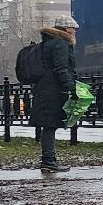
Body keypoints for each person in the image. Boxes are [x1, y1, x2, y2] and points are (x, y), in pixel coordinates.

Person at [31, 16, 79, 174]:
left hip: (44, 88)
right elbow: (61, 69)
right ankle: (49, 162)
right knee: (50, 126)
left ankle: (48, 161)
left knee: (48, 126)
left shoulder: (48, 43)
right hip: (52, 90)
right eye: (73, 28)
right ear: (66, 30)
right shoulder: (60, 44)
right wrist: (71, 88)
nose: (75, 31)